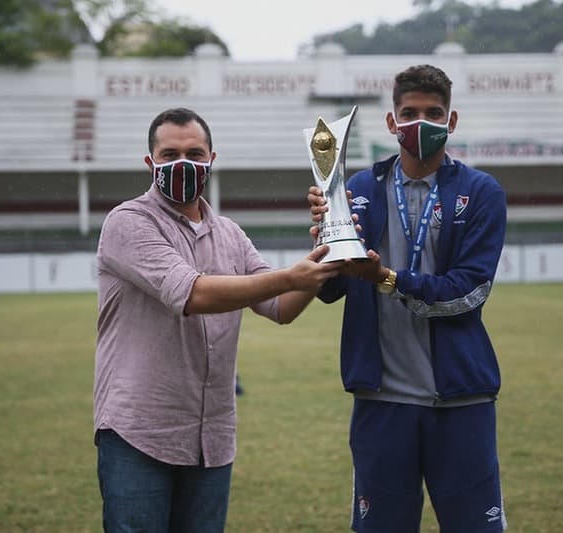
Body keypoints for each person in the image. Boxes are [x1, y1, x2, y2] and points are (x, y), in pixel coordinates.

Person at [94, 107, 341, 532]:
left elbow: (280, 307)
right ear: (149, 163)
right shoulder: (127, 223)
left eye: (194, 153)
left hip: (211, 436)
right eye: (169, 154)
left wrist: (328, 249)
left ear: (211, 159)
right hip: (140, 433)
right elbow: (192, 293)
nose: (182, 164)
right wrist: (291, 276)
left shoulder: (229, 233)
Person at [309, 64, 508, 532]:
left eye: (434, 113)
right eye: (410, 113)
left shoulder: (480, 193)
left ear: (451, 121)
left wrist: (389, 279)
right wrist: (325, 240)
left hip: (460, 400)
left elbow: (470, 292)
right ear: (392, 123)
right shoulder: (356, 188)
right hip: (382, 401)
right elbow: (331, 290)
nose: (422, 123)